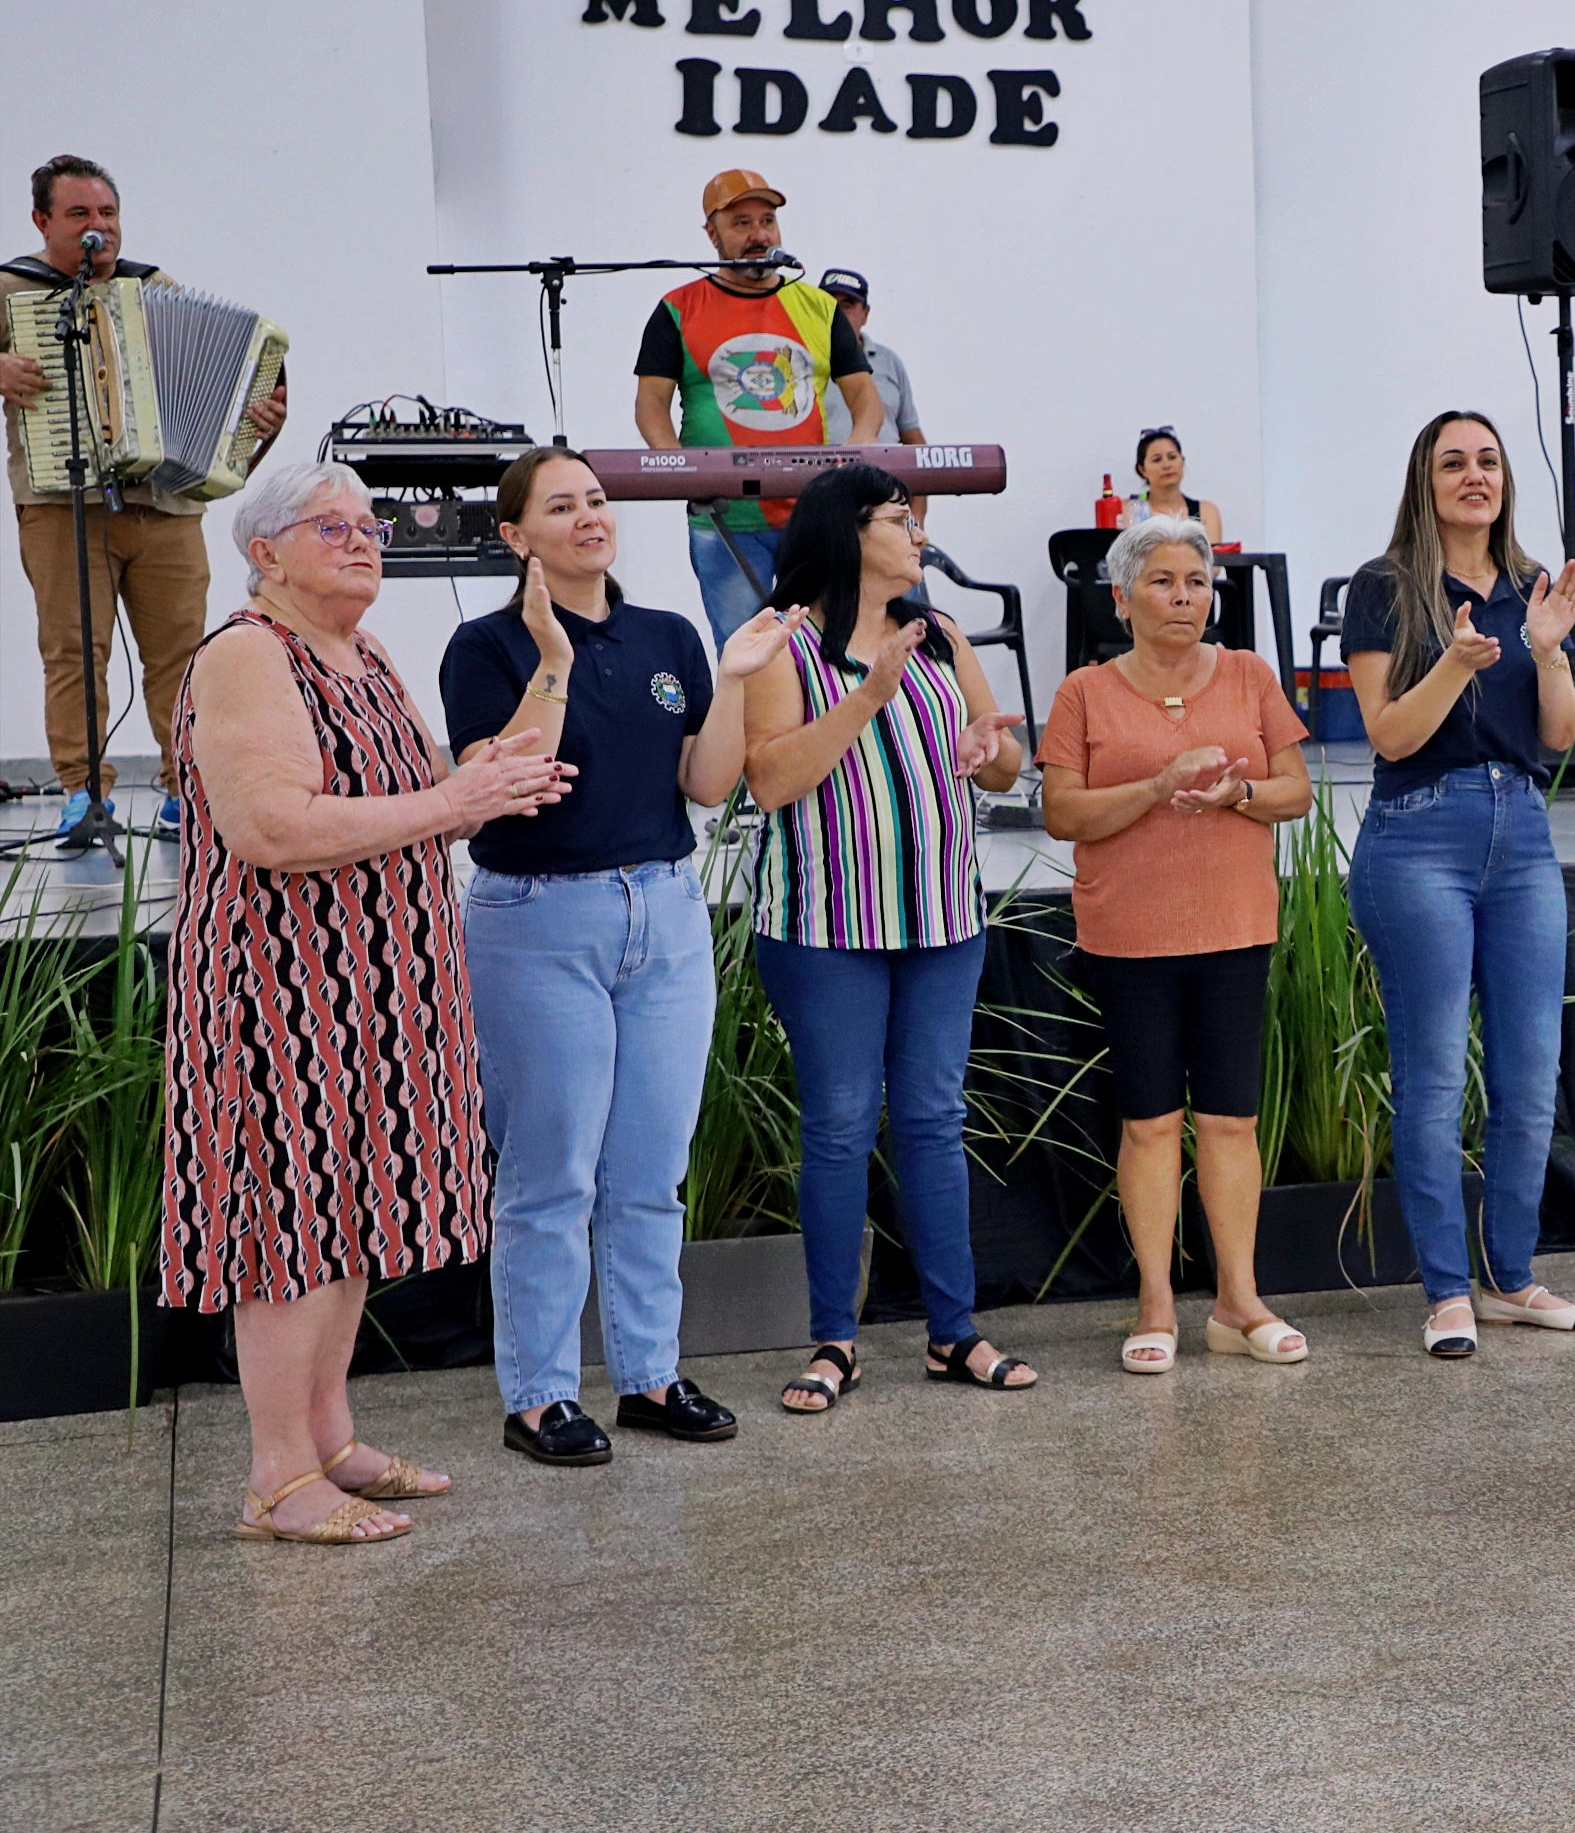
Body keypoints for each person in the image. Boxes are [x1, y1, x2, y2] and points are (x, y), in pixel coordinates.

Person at [164, 459, 569, 1543]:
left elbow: (426, 795)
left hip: (382, 986)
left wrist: (511, 741)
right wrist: (451, 800)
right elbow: (273, 827)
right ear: (264, 553)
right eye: (332, 526)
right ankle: (278, 1477)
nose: (363, 541)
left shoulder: (368, 650)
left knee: (347, 1219)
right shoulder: (249, 653)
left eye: (371, 525)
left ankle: (330, 1439)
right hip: (281, 990)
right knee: (292, 1228)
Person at [440, 446, 803, 1467]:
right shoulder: (486, 646)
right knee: (551, 1174)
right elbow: (506, 779)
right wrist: (553, 660)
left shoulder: (669, 634)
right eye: (561, 506)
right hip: (540, 920)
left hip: (666, 911)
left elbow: (706, 783)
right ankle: (540, 1397)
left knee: (650, 1170)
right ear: (515, 535)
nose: (590, 517)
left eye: (596, 500)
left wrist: (734, 681)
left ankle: (648, 1374)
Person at [741, 464, 1027, 1410]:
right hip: (826, 925)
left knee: (934, 1120)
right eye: (902, 519)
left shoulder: (940, 633)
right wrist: (869, 695)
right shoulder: (783, 642)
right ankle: (835, 1340)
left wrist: (991, 750)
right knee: (838, 1125)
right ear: (848, 531)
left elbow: (1003, 761)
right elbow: (771, 781)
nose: (919, 534)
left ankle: (955, 1332)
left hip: (942, 918)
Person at [1341, 410, 1575, 1357]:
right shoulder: (1384, 587)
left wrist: (1549, 648)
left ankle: (1511, 1278)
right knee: (1436, 1077)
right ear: (1426, 481)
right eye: (1454, 463)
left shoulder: (1533, 586)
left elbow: (1559, 735)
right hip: (1420, 837)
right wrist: (1454, 662)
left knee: (1531, 1077)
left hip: (1521, 834)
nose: (1474, 476)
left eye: (1488, 460)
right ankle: (1448, 1290)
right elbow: (1389, 735)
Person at [1040, 512, 1314, 1371]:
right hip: (1130, 935)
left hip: (1234, 927)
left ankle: (1238, 1301)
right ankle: (1155, 1303)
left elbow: (1297, 791)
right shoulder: (1084, 691)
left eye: (1197, 582)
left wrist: (1239, 795)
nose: (1184, 597)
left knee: (1231, 1121)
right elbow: (1061, 812)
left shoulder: (1249, 674)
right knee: (1151, 1123)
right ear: (1122, 599)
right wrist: (1159, 785)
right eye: (1162, 582)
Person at [0, 154, 288, 844]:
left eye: (108, 213)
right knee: (74, 652)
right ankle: (83, 793)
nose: (98, 226)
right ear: (42, 221)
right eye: (79, 214)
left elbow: (217, 393)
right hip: (61, 505)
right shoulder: (12, 289)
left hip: (165, 506)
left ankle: (186, 789)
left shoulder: (154, 288)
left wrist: (257, 422)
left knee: (185, 655)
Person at [633, 170, 884, 649]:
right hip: (723, 517)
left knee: (827, 647)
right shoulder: (678, 309)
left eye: (767, 221)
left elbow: (865, 398)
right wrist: (677, 468)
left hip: (812, 515)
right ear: (712, 235)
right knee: (744, 651)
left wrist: (856, 451)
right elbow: (650, 406)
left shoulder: (819, 307)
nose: (759, 235)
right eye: (742, 223)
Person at [816, 270, 925, 445]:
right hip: (822, 462)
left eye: (847, 305)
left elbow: (909, 430)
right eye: (829, 303)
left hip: (884, 461)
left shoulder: (889, 361)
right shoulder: (801, 359)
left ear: (865, 314)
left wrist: (930, 461)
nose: (837, 313)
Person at [1130, 426, 1225, 542]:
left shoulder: (1206, 512)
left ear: (1182, 461)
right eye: (1157, 460)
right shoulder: (1128, 509)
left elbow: (1213, 553)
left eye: (1172, 457)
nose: (1166, 465)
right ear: (1142, 470)